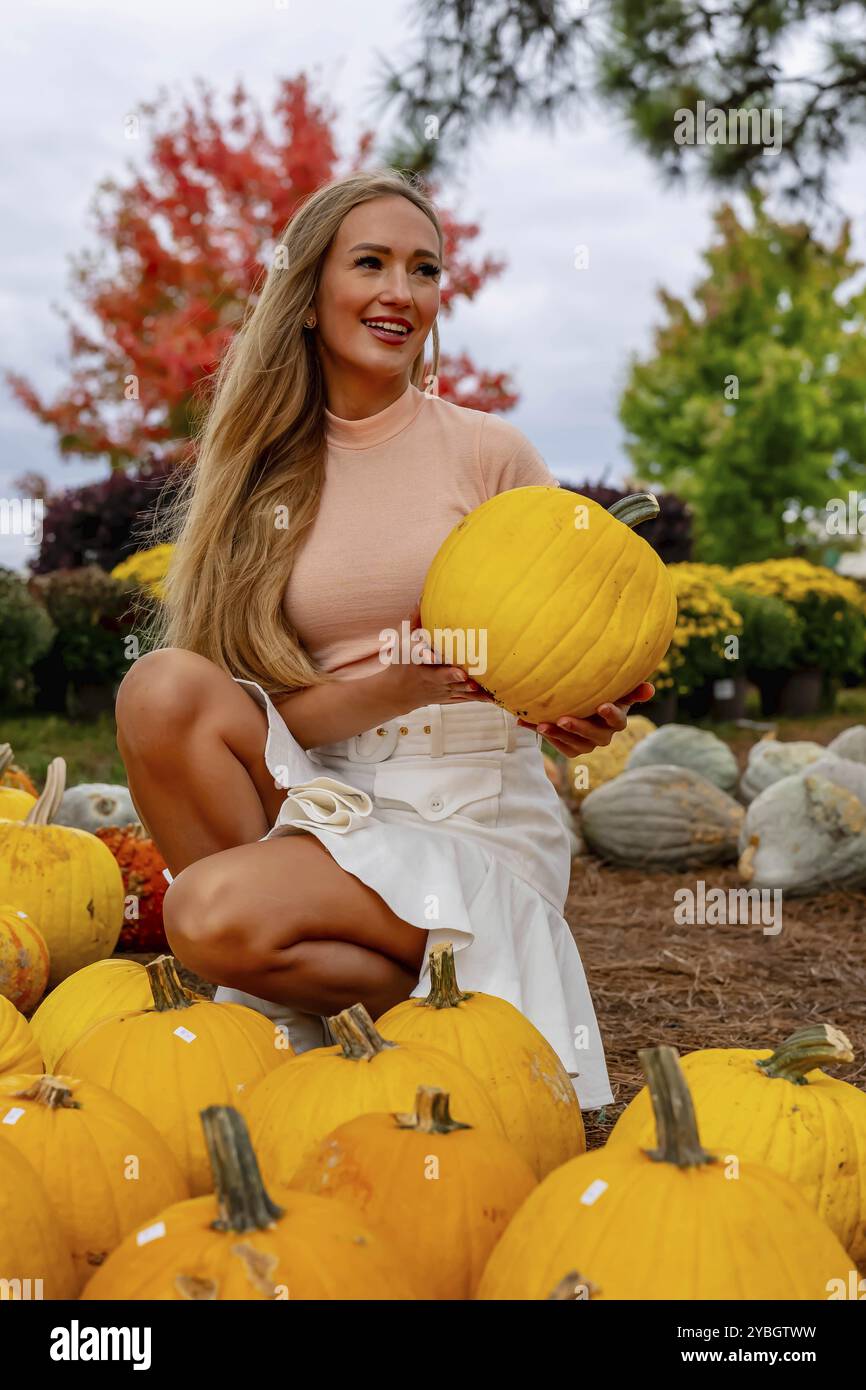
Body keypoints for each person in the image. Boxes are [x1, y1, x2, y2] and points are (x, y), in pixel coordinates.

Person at [115, 168, 654, 1110]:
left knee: (201, 912)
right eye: (371, 263)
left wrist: (584, 713)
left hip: (469, 809)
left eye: (425, 269)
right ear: (312, 290)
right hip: (327, 787)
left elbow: (568, 639)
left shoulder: (489, 453)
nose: (400, 293)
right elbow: (274, 712)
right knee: (160, 689)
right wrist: (404, 678)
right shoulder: (255, 475)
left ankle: (445, 991)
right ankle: (416, 999)